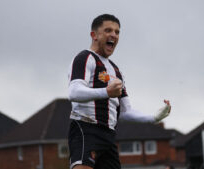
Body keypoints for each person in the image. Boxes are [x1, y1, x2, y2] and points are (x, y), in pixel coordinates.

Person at [67, 14, 171, 169]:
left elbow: (125, 111)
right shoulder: (85, 58)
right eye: (108, 30)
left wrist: (153, 117)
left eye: (117, 32)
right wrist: (106, 92)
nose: (113, 35)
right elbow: (74, 92)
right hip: (86, 128)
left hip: (108, 136)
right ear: (94, 35)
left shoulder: (116, 71)